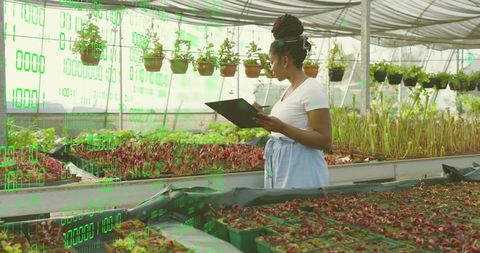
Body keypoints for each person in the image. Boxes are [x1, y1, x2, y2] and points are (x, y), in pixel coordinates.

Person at [252, 14, 332, 189]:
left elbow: (325, 140)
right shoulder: (288, 91)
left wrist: (281, 127)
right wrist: (263, 118)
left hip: (303, 175)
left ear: (285, 60)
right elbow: (286, 127)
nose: (271, 67)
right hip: (285, 169)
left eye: (272, 62)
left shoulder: (311, 89)